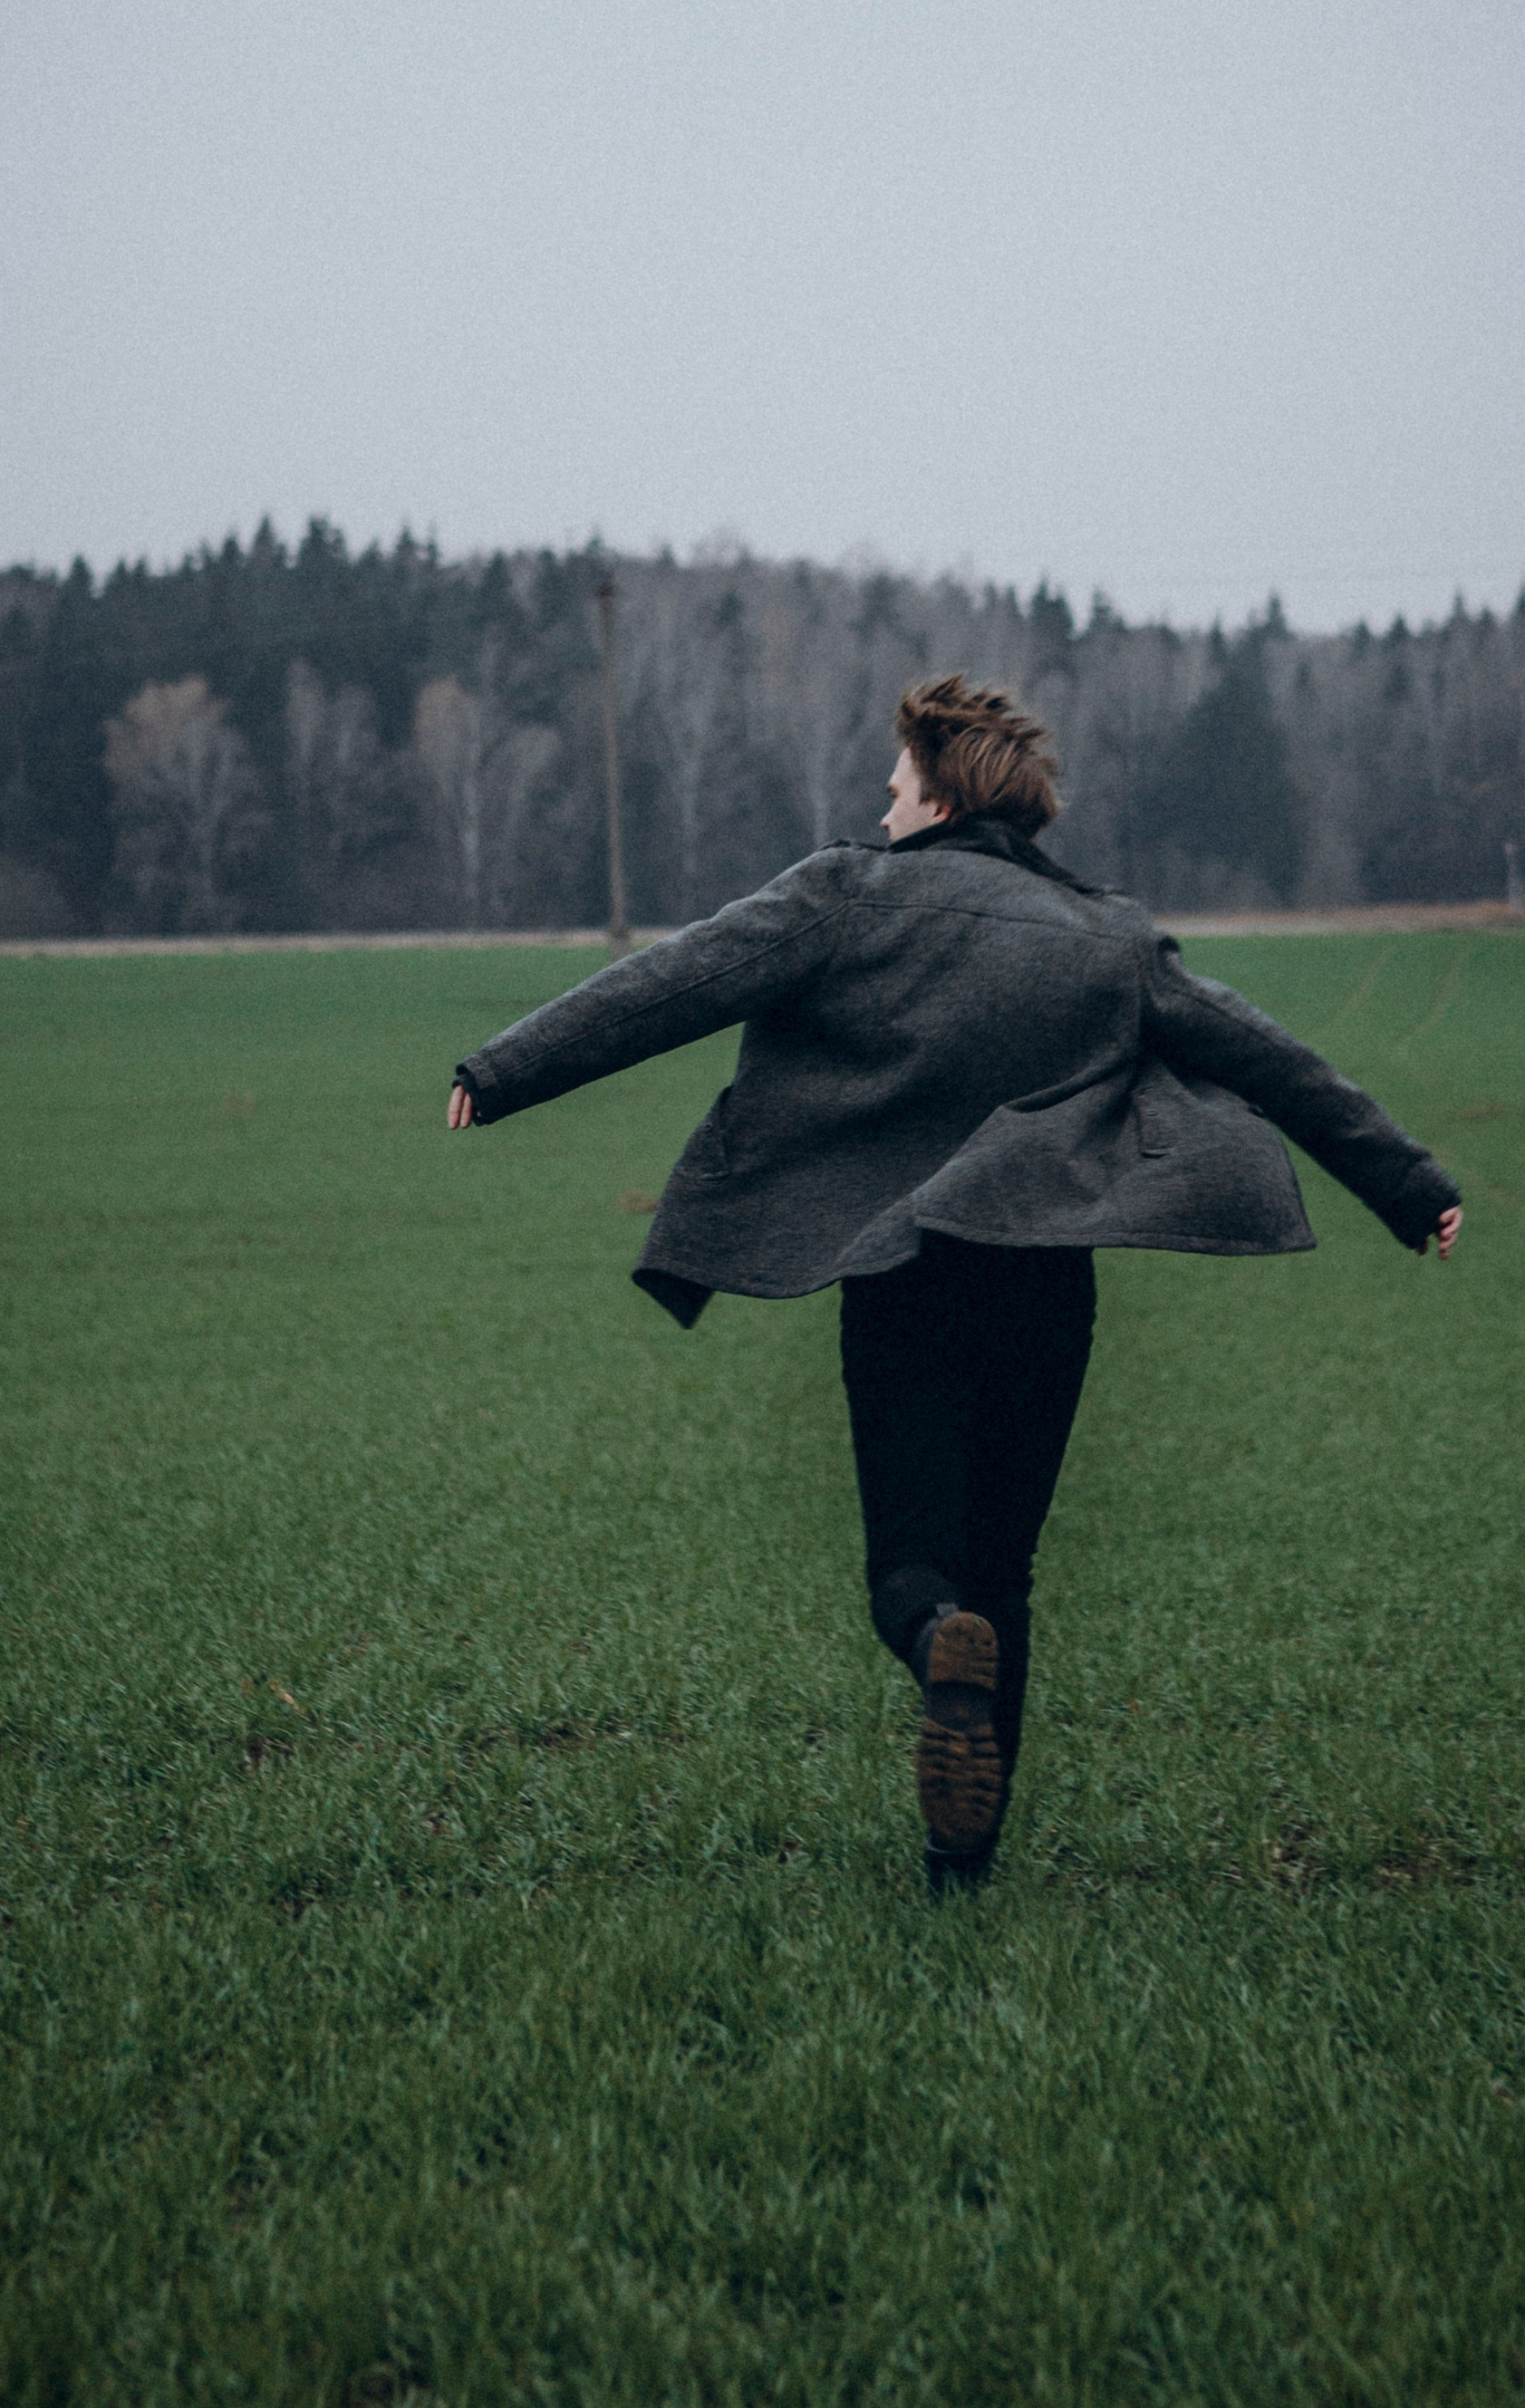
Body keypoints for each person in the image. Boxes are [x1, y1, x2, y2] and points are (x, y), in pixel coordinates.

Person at [448, 674, 1462, 1893]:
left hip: (907, 1272)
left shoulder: (847, 894)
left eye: (893, 792)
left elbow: (676, 981)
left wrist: (505, 1069)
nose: (881, 814)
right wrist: (1409, 1186)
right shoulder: (1110, 937)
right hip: (1047, 1290)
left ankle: (937, 1646)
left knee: (913, 1571)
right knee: (1007, 1573)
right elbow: (1273, 1058)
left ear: (937, 795)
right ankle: (959, 1873)